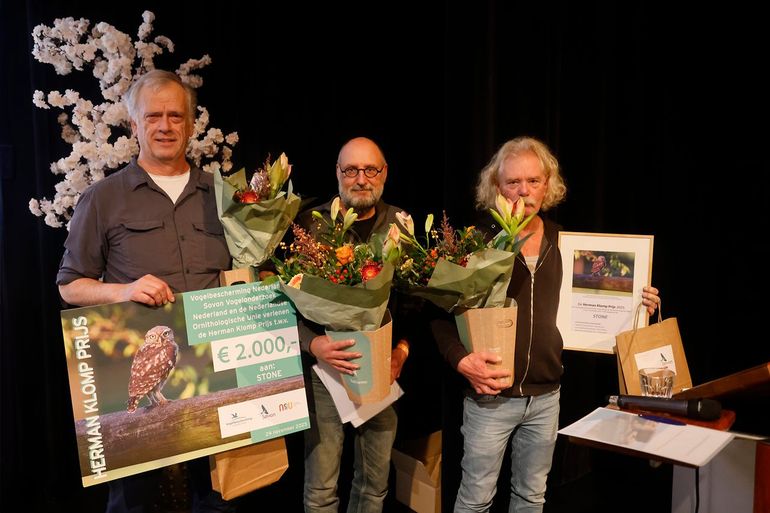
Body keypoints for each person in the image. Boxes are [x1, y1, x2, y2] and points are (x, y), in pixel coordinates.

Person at [432, 136, 660, 512]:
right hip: (490, 398)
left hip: (546, 398)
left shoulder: (569, 244)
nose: (524, 191)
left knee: (531, 497)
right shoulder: (475, 244)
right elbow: (440, 317)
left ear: (548, 185)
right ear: (496, 188)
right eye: (513, 182)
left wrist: (639, 302)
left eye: (534, 181)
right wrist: (461, 360)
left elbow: (605, 302)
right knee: (475, 500)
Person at [57, 69, 233, 512]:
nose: (165, 126)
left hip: (218, 382)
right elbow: (70, 287)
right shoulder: (103, 199)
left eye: (176, 115)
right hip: (143, 399)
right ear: (134, 125)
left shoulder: (224, 197)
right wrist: (124, 291)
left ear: (192, 125)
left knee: (215, 503)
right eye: (153, 115)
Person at [296, 136, 410, 513]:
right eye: (351, 170)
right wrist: (314, 345)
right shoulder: (312, 227)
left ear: (384, 173)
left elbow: (415, 301)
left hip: (381, 370)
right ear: (338, 174)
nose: (361, 179)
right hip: (325, 371)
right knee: (321, 489)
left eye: (370, 169)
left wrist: (401, 351)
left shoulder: (401, 226)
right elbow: (282, 302)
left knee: (375, 486)